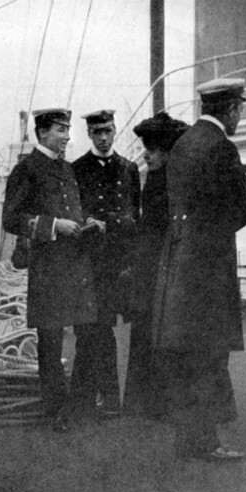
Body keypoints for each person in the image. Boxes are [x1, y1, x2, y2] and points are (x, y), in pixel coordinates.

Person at [152, 78, 246, 461]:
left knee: (187, 354)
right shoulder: (221, 147)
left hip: (179, 261)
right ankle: (207, 443)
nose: (240, 116)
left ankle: (189, 438)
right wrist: (218, 226)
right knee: (210, 354)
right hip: (209, 267)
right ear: (231, 109)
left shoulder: (183, 143)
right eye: (240, 109)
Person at [2, 108, 100, 433]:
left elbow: (73, 209)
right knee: (51, 339)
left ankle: (79, 403)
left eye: (68, 129)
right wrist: (55, 225)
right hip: (48, 268)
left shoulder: (67, 169)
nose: (67, 136)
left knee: (88, 332)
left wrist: (87, 224)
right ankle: (56, 411)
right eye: (61, 129)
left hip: (76, 264)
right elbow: (11, 220)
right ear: (43, 133)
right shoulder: (25, 170)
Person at [70, 109, 141, 418]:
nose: (103, 137)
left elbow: (133, 217)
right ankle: (99, 398)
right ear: (89, 134)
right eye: (97, 131)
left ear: (115, 131)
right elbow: (74, 215)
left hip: (114, 264)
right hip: (86, 262)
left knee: (101, 328)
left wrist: (107, 222)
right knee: (89, 329)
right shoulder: (76, 170)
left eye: (108, 130)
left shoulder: (129, 169)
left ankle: (96, 398)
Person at [122, 112, 190, 419]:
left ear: (167, 151)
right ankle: (148, 403)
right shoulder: (154, 181)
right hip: (149, 269)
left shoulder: (174, 183)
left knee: (163, 335)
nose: (146, 153)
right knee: (148, 333)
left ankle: (160, 404)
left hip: (166, 270)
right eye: (145, 147)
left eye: (153, 148)